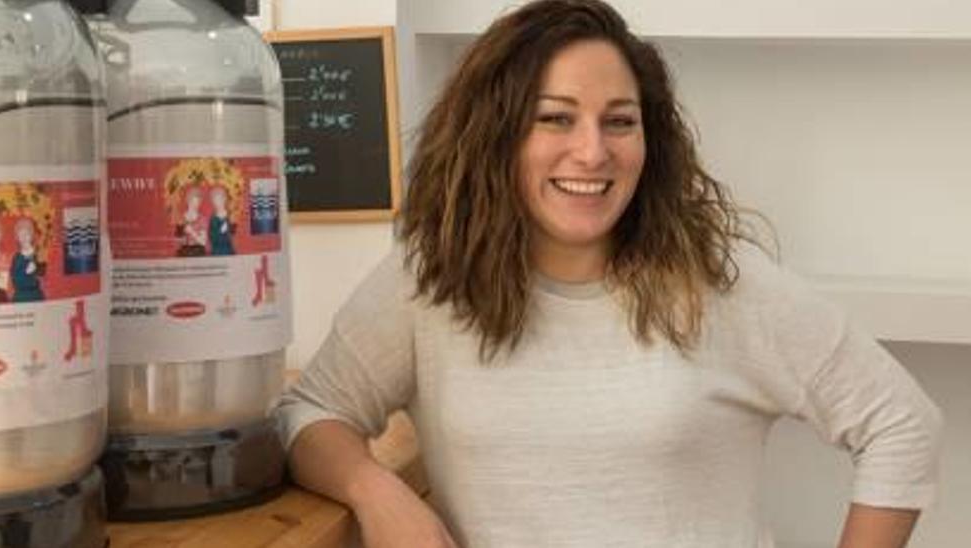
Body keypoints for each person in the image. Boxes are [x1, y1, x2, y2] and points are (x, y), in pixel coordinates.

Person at [273, 1, 944, 547]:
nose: (592, 151)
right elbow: (310, 409)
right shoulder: (429, 280)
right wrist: (375, 490)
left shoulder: (721, 284)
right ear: (496, 134)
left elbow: (903, 425)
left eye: (619, 121)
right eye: (555, 118)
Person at [10, 217, 46, 302]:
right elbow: (14, 280)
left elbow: (45, 275)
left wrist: (36, 269)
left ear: (32, 235)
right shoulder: (16, 257)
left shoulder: (39, 254)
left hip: (35, 295)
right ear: (17, 237)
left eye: (27, 234)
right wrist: (25, 272)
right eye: (21, 235)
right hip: (20, 296)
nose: (24, 238)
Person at [208, 186, 237, 256]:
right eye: (215, 200)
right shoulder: (213, 218)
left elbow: (234, 234)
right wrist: (221, 230)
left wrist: (232, 225)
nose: (218, 203)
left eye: (220, 199)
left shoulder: (231, 215)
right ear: (213, 202)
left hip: (228, 249)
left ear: (224, 199)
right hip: (217, 251)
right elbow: (211, 238)